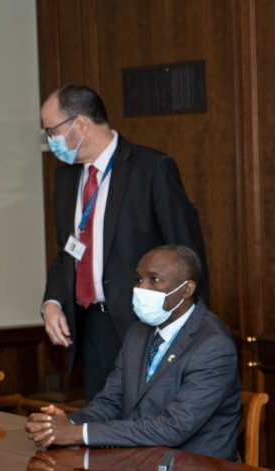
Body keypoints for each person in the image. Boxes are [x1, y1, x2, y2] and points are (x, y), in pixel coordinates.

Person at [39, 84, 209, 401]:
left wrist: (189, 335)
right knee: (101, 432)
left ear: (80, 125)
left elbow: (188, 256)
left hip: (146, 328)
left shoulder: (151, 169)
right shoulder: (65, 179)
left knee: (146, 435)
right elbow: (66, 253)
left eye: (51, 131)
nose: (49, 141)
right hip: (90, 328)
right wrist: (52, 302)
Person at [26, 245, 240, 460]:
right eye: (139, 279)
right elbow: (110, 402)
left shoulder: (213, 346)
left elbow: (173, 428)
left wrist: (76, 434)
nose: (141, 288)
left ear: (186, 289)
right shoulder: (139, 331)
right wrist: (61, 424)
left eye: (154, 280)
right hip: (137, 465)